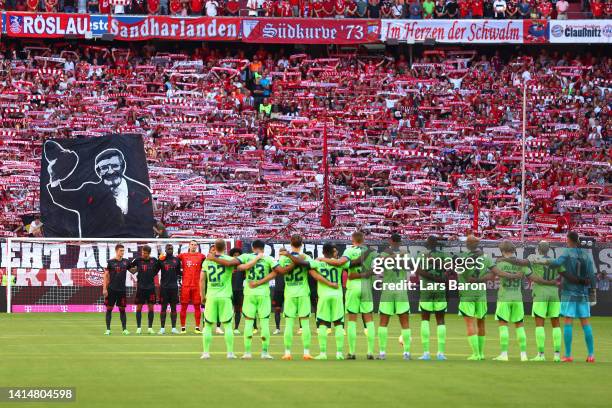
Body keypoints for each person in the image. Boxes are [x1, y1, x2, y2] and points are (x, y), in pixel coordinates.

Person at [199, 240, 261, 359]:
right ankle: (230, 353)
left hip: (211, 296)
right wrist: (256, 259)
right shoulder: (228, 259)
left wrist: (202, 295)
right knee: (227, 326)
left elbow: (202, 280)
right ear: (225, 248)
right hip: (225, 296)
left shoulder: (207, 261)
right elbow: (244, 267)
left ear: (214, 248)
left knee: (207, 325)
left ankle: (206, 353)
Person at [282, 243, 344, 360]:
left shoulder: (318, 262)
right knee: (338, 324)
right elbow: (345, 263)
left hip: (324, 296)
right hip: (337, 295)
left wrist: (289, 255)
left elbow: (302, 263)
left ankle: (323, 353)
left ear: (323, 252)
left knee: (322, 324)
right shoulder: (339, 263)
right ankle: (339, 353)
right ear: (333, 252)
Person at [542, 232, 596, 362]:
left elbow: (556, 263)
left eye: (566, 239)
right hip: (583, 293)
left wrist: (545, 261)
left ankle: (568, 354)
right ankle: (591, 354)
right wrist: (592, 292)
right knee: (585, 322)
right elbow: (592, 275)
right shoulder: (586, 255)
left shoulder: (567, 252)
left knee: (568, 321)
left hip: (569, 292)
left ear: (569, 240)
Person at [318, 231, 372, 359]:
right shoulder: (371, 252)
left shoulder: (349, 250)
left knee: (352, 319)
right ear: (363, 239)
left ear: (352, 239)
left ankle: (352, 352)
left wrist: (322, 259)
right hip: (366, 287)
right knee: (369, 320)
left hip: (353, 286)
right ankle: (370, 352)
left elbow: (339, 263)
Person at [275, 235, 315, 360]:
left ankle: (287, 353)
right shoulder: (306, 257)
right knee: (305, 324)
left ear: (290, 244)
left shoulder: (283, 258)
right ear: (302, 244)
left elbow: (279, 271)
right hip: (303, 293)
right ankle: (306, 352)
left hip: (290, 294)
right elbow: (313, 269)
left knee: (289, 324)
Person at [457, 235, 497, 360]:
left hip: (467, 293)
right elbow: (493, 273)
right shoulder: (486, 257)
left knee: (470, 323)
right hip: (481, 294)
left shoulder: (462, 257)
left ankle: (475, 354)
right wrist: (480, 279)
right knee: (481, 323)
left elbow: (460, 273)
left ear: (467, 245)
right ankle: (481, 353)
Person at [492, 241, 528, 362]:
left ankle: (504, 354)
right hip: (517, 297)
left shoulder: (500, 264)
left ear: (502, 251)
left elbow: (492, 275)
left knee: (503, 325)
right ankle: (523, 354)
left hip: (504, 297)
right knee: (519, 326)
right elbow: (527, 275)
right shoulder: (521, 264)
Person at [416, 236, 451, 361]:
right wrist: (437, 278)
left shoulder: (422, 255)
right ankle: (440, 353)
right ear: (437, 244)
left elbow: (418, 271)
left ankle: (426, 353)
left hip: (426, 289)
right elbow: (449, 269)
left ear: (427, 245)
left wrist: (431, 265)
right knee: (440, 320)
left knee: (425, 319)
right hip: (440, 289)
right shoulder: (444, 255)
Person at [526, 241, 562, 362]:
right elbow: (562, 275)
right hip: (554, 293)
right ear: (549, 250)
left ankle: (541, 355)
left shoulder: (534, 259)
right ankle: (557, 355)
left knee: (539, 323)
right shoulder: (555, 262)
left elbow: (527, 268)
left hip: (540, 292)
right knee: (556, 323)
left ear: (538, 249)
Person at [377, 234, 411, 360]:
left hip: (388, 290)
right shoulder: (405, 253)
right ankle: (406, 353)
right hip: (401, 290)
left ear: (390, 241)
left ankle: (382, 353)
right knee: (405, 322)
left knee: (383, 322)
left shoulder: (384, 254)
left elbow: (378, 268)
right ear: (400, 242)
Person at [130, 245, 160, 335]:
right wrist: (133, 270)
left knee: (151, 308)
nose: (143, 254)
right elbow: (130, 268)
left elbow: (158, 268)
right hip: (140, 288)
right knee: (139, 308)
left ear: (149, 253)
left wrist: (153, 273)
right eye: (142, 252)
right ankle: (138, 328)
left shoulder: (154, 260)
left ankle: (150, 328)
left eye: (145, 253)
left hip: (151, 288)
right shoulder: (138, 260)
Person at [177, 240, 205, 334]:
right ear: (189, 246)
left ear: (197, 246)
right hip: (186, 285)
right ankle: (183, 328)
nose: (193, 246)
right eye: (192, 244)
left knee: (197, 306)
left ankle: (197, 327)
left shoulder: (201, 256)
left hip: (197, 285)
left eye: (195, 245)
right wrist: (163, 257)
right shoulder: (183, 255)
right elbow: (172, 259)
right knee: (183, 306)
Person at [103, 244, 131, 336]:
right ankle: (108, 329)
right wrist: (104, 289)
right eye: (121, 250)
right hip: (111, 289)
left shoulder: (126, 262)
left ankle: (124, 329)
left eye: (123, 250)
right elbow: (106, 276)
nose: (122, 252)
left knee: (122, 309)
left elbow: (133, 270)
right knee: (109, 309)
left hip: (122, 290)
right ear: (116, 251)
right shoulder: (110, 262)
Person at [158, 244, 182, 335]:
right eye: (168, 248)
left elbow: (179, 273)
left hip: (173, 288)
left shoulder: (176, 260)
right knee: (163, 308)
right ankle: (162, 328)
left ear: (173, 249)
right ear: (165, 249)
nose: (170, 249)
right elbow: (155, 270)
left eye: (171, 248)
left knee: (174, 308)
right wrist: (158, 259)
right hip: (164, 288)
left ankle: (173, 328)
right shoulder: (161, 260)